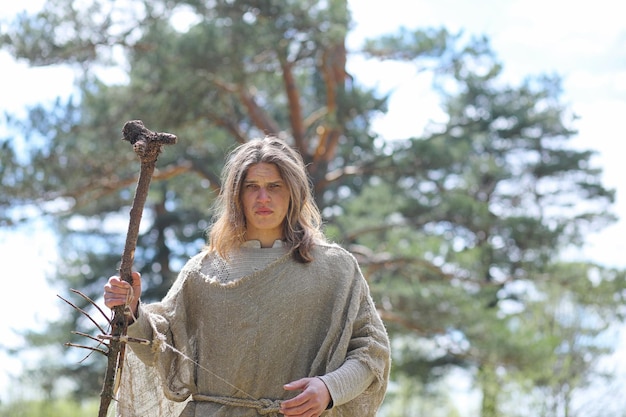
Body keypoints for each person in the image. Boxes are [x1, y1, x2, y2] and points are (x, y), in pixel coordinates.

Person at [104, 136, 391, 417]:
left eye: (274, 186)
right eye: (251, 186)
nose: (263, 197)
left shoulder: (335, 268)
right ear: (236, 195)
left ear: (294, 192)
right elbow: (161, 348)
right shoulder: (204, 271)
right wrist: (131, 312)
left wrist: (330, 389)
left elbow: (371, 350)